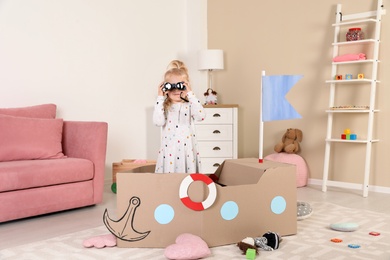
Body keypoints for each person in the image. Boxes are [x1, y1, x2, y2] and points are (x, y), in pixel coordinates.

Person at [153, 60, 205, 173]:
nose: (176, 90)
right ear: (165, 88)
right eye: (171, 86)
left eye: (180, 86)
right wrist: (160, 98)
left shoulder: (190, 104)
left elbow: (201, 116)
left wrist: (190, 94)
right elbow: (158, 122)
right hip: (170, 149)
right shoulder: (164, 106)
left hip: (187, 149)